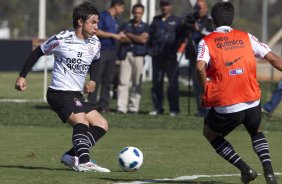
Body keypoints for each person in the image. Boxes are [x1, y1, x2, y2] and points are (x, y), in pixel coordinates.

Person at [15, 2, 110, 172]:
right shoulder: (61, 39)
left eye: (98, 22)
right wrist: (22, 76)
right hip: (59, 92)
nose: (97, 26)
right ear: (80, 22)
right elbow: (38, 52)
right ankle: (84, 161)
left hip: (76, 94)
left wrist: (93, 80)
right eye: (93, 22)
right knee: (81, 122)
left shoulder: (95, 42)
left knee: (101, 124)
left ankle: (70, 155)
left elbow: (95, 61)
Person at [196, 2, 281, 184]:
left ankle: (245, 170)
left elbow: (199, 66)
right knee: (255, 130)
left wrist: (206, 92)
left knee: (209, 133)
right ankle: (270, 174)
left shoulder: (207, 41)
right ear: (231, 19)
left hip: (227, 104)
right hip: (252, 100)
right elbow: (273, 59)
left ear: (213, 21)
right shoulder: (246, 37)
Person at [88, 0, 125, 113]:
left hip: (112, 52)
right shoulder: (102, 16)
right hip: (101, 52)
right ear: (116, 6)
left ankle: (103, 106)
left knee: (108, 80)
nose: (122, 10)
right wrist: (114, 35)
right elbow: (96, 31)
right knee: (96, 78)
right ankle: (91, 105)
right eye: (122, 8)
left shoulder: (116, 20)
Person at [147, 0, 182, 116]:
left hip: (170, 57)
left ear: (171, 6)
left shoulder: (177, 21)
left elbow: (181, 38)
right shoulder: (155, 20)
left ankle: (174, 109)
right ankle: (157, 108)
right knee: (157, 83)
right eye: (162, 5)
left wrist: (175, 48)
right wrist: (151, 48)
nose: (164, 7)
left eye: (166, 5)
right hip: (157, 57)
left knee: (172, 84)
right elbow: (149, 35)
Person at [116, 3, 149, 114]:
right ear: (132, 13)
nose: (137, 15)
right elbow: (121, 38)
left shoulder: (145, 26)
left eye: (139, 13)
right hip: (126, 55)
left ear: (142, 14)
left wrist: (129, 35)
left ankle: (134, 107)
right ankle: (121, 107)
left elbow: (143, 40)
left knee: (137, 82)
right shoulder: (125, 24)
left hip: (139, 56)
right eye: (135, 12)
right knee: (123, 82)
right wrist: (137, 38)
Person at [184, 0, 213, 117]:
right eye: (196, 8)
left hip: (206, 58)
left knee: (206, 83)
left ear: (206, 8)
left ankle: (209, 109)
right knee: (196, 85)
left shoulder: (210, 21)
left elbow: (211, 35)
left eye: (200, 8)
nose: (198, 10)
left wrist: (199, 29)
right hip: (193, 56)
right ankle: (200, 109)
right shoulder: (192, 20)